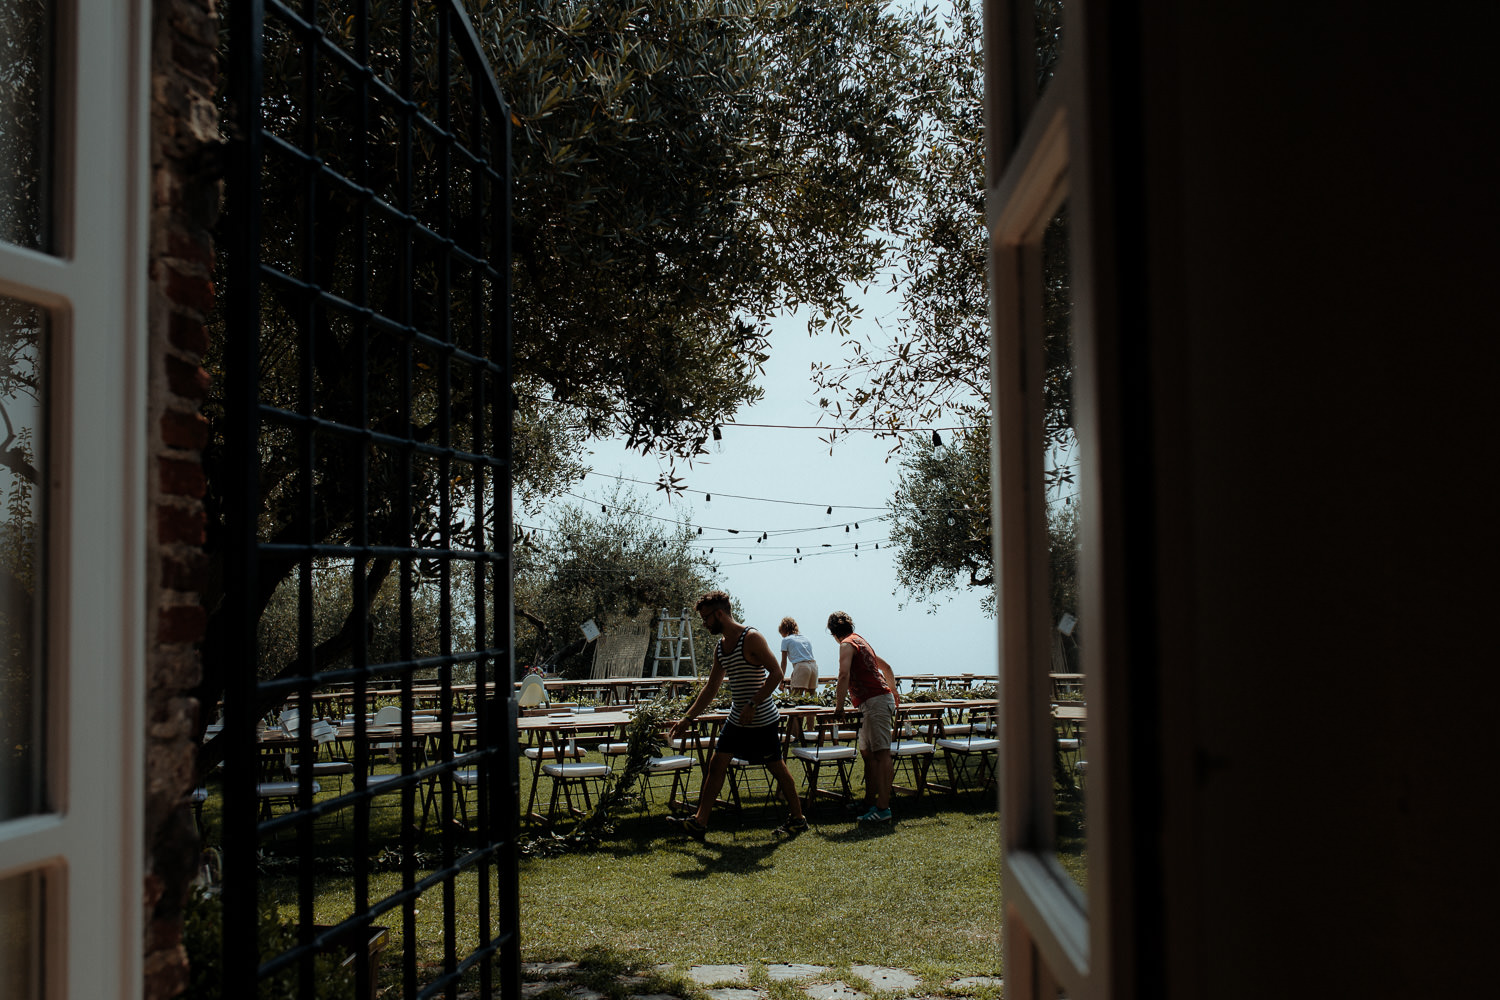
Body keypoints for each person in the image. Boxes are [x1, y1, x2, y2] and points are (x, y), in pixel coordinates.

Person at [666, 590, 809, 841]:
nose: (705, 623)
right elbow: (711, 688)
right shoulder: (721, 648)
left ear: (720, 614)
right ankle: (700, 822)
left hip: (762, 718)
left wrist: (753, 703)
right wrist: (687, 718)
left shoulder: (751, 638)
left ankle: (798, 819)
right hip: (736, 718)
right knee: (716, 763)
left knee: (776, 766)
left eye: (706, 618)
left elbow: (776, 674)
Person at [827, 610, 901, 823]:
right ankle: (869, 802)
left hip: (875, 700)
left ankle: (883, 808)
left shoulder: (846, 645)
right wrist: (893, 690)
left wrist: (839, 707)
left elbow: (843, 674)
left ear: (833, 633)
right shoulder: (861, 642)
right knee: (867, 753)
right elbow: (886, 667)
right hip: (872, 701)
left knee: (882, 753)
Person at [777, 617, 819, 695]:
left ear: (783, 630)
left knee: (795, 698)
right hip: (813, 667)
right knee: (811, 699)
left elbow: (784, 662)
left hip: (801, 667)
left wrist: (781, 680)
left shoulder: (786, 640)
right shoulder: (806, 639)